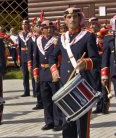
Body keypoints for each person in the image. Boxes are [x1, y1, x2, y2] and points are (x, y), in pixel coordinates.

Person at [49, 7, 100, 138]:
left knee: (82, 127)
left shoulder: (88, 36)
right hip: (65, 85)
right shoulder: (62, 38)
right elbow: (52, 57)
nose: (72, 19)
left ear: (79, 18)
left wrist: (86, 63)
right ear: (65, 20)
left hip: (82, 86)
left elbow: (96, 60)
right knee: (67, 124)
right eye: (69, 17)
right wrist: (54, 70)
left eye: (75, 16)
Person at [33, 20, 62, 131]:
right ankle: (49, 121)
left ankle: (58, 122)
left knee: (56, 98)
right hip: (43, 72)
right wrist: (36, 72)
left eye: (51, 28)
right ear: (42, 30)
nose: (49, 30)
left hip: (54, 72)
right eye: (46, 28)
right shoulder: (38, 41)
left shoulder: (57, 41)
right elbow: (35, 57)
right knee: (46, 99)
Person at [88, 17, 110, 115]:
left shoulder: (104, 34)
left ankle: (105, 106)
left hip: (102, 62)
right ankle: (99, 106)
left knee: (104, 85)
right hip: (94, 64)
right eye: (91, 24)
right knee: (96, 85)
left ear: (98, 24)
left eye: (95, 24)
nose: (93, 26)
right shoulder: (89, 35)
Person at [18, 20, 33, 97]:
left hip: (30, 56)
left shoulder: (31, 34)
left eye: (26, 24)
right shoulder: (20, 35)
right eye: (23, 24)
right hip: (23, 56)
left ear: (28, 25)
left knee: (33, 74)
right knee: (25, 75)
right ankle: (26, 91)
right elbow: (19, 47)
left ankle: (35, 91)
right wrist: (19, 57)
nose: (24, 26)